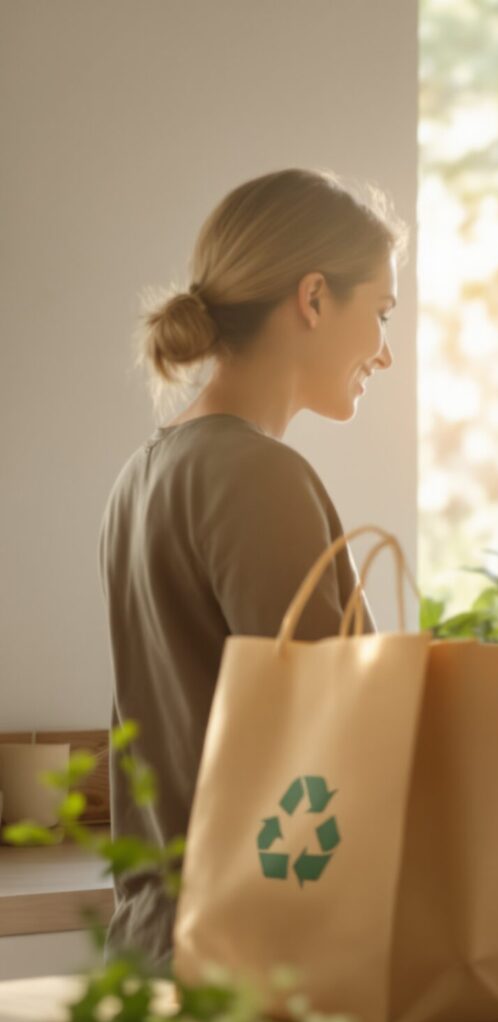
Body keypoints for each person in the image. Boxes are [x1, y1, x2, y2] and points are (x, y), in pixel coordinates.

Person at [101, 168, 404, 962]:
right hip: (252, 958)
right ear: (312, 299)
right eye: (379, 312)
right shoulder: (255, 473)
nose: (387, 351)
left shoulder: (145, 472)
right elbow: (340, 729)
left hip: (156, 939)